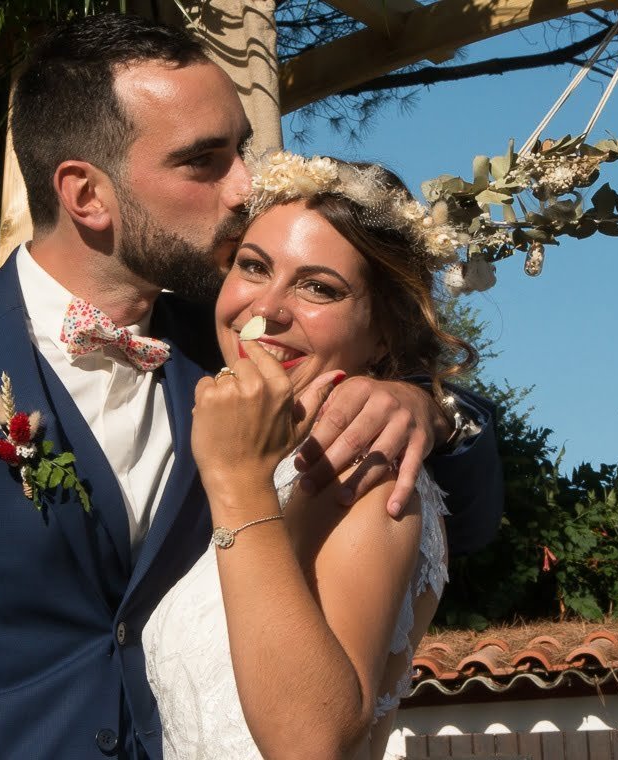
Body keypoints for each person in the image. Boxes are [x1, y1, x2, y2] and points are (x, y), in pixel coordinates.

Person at [0, 14, 502, 759]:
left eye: (241, 150)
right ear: (86, 194)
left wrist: (423, 405)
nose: (244, 187)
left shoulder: (239, 354)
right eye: (205, 161)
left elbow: (453, 512)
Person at [143, 153, 475, 760]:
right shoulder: (264, 454)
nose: (267, 309)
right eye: (253, 266)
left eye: (318, 287)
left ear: (385, 332)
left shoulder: (370, 475)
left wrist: (236, 482)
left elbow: (311, 744)